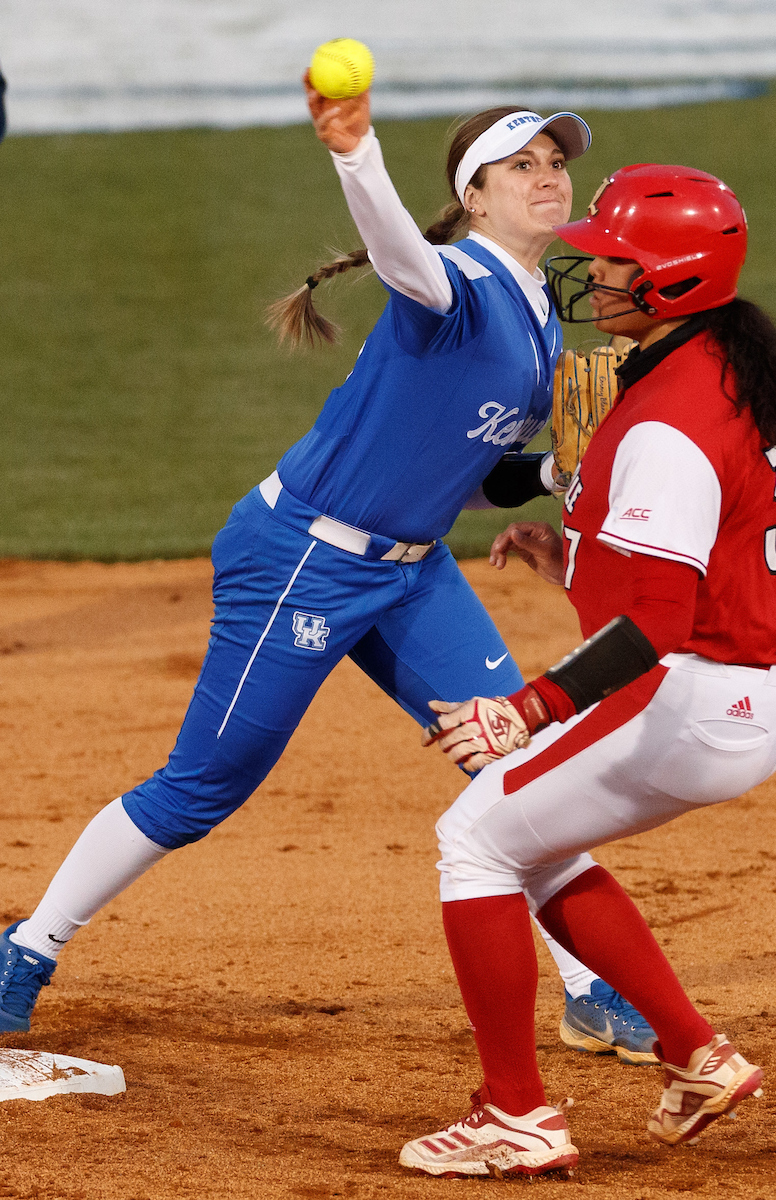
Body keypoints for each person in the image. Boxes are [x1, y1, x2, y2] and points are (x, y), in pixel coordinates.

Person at [0, 83, 649, 1053]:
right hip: (301, 559)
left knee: (521, 752)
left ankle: (591, 984)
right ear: (476, 197)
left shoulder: (540, 320)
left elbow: (463, 476)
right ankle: (29, 950)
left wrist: (554, 470)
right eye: (523, 165)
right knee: (200, 789)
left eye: (557, 163)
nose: (549, 177)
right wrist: (355, 151)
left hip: (413, 572)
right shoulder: (455, 285)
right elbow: (400, 255)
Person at [401, 163, 776, 1177]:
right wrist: (576, 555)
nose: (594, 275)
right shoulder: (721, 371)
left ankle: (515, 1114)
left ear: (673, 285)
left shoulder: (663, 425)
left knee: (471, 840)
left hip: (698, 699)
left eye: (617, 265)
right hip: (749, 687)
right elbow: (701, 559)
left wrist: (529, 706)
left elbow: (658, 617)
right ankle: (695, 1056)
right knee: (532, 840)